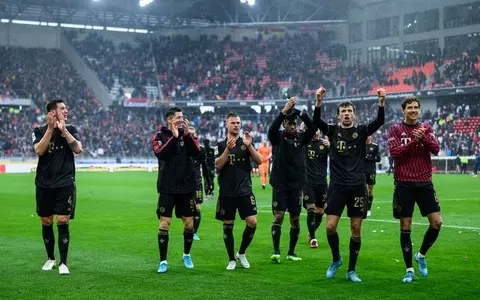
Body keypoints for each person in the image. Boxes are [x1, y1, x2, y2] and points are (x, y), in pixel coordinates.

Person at [314, 88, 386, 282]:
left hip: (356, 187)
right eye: (343, 111)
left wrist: (381, 103)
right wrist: (318, 103)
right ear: (338, 115)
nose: (346, 114)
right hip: (337, 186)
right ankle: (336, 259)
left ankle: (351, 270)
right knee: (330, 227)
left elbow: (379, 122)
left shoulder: (361, 131)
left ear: (354, 114)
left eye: (349, 111)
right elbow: (316, 122)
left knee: (356, 229)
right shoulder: (332, 131)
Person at [388, 96, 442, 283]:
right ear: (403, 110)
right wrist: (413, 141)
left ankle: (421, 255)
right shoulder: (395, 129)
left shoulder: (426, 128)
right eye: (409, 107)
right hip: (404, 183)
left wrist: (423, 138)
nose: (413, 110)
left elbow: (436, 149)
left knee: (437, 223)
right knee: (406, 226)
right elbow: (395, 153)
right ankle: (409, 269)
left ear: (419, 110)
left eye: (416, 107)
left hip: (425, 182)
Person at [33, 99, 83, 275]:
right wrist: (50, 129)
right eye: (62, 108)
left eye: (66, 108)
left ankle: (63, 262)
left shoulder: (72, 129)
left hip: (65, 183)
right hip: (44, 184)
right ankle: (50, 259)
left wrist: (63, 131)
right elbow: (39, 151)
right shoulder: (39, 131)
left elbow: (78, 149)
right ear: (52, 113)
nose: (66, 111)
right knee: (46, 221)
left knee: (63, 220)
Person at [268, 96, 318, 263]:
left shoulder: (301, 137)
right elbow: (271, 129)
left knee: (295, 218)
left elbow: (313, 127)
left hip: (296, 184)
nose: (292, 126)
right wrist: (284, 111)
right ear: (284, 125)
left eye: (294, 124)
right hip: (280, 183)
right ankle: (276, 251)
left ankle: (291, 252)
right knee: (279, 216)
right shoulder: (278, 137)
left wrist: (301, 113)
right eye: (289, 123)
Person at [152, 107, 201, 273]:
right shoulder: (160, 136)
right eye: (178, 117)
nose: (182, 120)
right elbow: (160, 154)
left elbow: (197, 152)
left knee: (189, 225)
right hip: (167, 188)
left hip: (187, 188)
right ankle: (163, 261)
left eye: (182, 117)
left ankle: (186, 254)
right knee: (164, 224)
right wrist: (173, 138)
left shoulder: (187, 135)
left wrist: (187, 135)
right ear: (169, 119)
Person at [215, 112, 263, 270]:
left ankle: (241, 253)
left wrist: (249, 146)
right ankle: (231, 260)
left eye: (238, 122)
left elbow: (259, 160)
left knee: (252, 221)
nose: (236, 125)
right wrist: (227, 150)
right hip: (227, 192)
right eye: (233, 122)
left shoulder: (245, 142)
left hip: (245, 190)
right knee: (228, 225)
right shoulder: (220, 144)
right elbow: (218, 165)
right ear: (226, 124)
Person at [302, 128, 329, 248]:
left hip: (322, 183)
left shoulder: (324, 144)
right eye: (314, 130)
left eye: (318, 130)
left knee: (320, 211)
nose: (316, 132)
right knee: (311, 209)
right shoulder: (304, 143)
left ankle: (311, 232)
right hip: (308, 182)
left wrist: (331, 146)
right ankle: (313, 238)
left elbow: (338, 156)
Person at [189, 127, 213, 241]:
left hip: (197, 183)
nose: (193, 136)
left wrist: (209, 183)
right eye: (191, 134)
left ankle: (194, 232)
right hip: (185, 183)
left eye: (194, 133)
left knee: (197, 208)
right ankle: (188, 228)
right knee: (188, 209)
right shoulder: (183, 148)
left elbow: (205, 167)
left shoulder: (201, 150)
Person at [365, 136, 381, 217]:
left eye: (369, 136)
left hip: (371, 171)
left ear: (371, 137)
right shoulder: (361, 146)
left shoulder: (375, 146)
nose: (367, 137)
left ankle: (368, 209)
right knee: (361, 190)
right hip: (361, 171)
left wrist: (369, 158)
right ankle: (362, 208)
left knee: (370, 190)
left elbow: (378, 159)